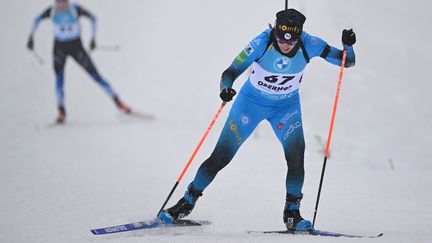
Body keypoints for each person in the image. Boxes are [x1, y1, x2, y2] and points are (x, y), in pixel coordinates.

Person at [158, 9, 356, 231]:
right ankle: (186, 202)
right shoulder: (261, 42)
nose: (286, 44)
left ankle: (292, 213)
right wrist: (226, 89)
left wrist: (348, 47)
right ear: (275, 31)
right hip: (250, 104)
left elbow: (347, 62)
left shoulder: (310, 43)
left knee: (296, 157)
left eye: (292, 40)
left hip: (286, 107)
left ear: (300, 35)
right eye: (281, 38)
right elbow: (230, 72)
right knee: (220, 157)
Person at [27, 0, 131, 123]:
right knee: (59, 79)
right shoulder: (52, 11)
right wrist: (31, 37)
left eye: (64, 2)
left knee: (96, 75)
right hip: (59, 48)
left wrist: (93, 38)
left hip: (76, 47)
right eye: (58, 2)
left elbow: (93, 18)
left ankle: (118, 102)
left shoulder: (75, 9)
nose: (61, 5)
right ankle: (61, 111)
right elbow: (36, 19)